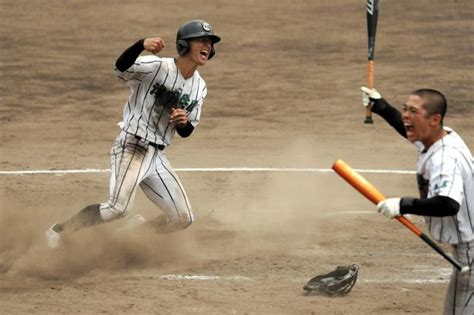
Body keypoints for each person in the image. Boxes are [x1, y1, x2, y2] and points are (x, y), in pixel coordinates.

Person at [45, 19, 221, 248]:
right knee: (118, 208)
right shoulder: (156, 67)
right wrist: (140, 45)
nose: (207, 45)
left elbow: (187, 131)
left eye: (209, 42)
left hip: (157, 157)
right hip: (133, 146)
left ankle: (134, 234)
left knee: (182, 218)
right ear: (184, 45)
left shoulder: (200, 87)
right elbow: (121, 67)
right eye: (201, 40)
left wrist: (182, 123)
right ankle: (59, 231)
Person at [361, 86, 474, 314]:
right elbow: (410, 131)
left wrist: (403, 204)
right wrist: (380, 106)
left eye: (413, 111)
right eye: (405, 109)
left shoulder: (444, 159)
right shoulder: (441, 136)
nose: (405, 116)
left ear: (435, 119)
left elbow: (448, 203)